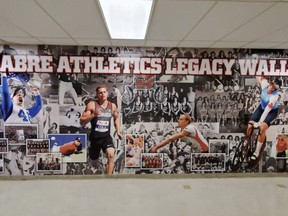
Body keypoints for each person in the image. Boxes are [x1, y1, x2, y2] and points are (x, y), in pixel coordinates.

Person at [80, 85, 122, 175]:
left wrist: (118, 131)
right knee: (94, 163)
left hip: (106, 137)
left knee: (111, 155)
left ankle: (109, 179)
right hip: (95, 138)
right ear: (97, 94)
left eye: (104, 92)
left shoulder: (112, 106)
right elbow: (82, 122)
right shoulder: (92, 105)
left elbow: (116, 118)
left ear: (107, 93)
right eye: (100, 93)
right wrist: (93, 114)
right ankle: (99, 167)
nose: (102, 94)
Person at [246, 74, 281, 161]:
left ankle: (256, 152)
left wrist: (260, 122)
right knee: (250, 125)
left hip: (271, 112)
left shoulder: (275, 96)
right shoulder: (264, 84)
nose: (272, 89)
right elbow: (258, 76)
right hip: (261, 108)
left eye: (274, 88)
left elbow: (267, 110)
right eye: (272, 86)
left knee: (262, 128)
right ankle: (246, 141)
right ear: (270, 83)